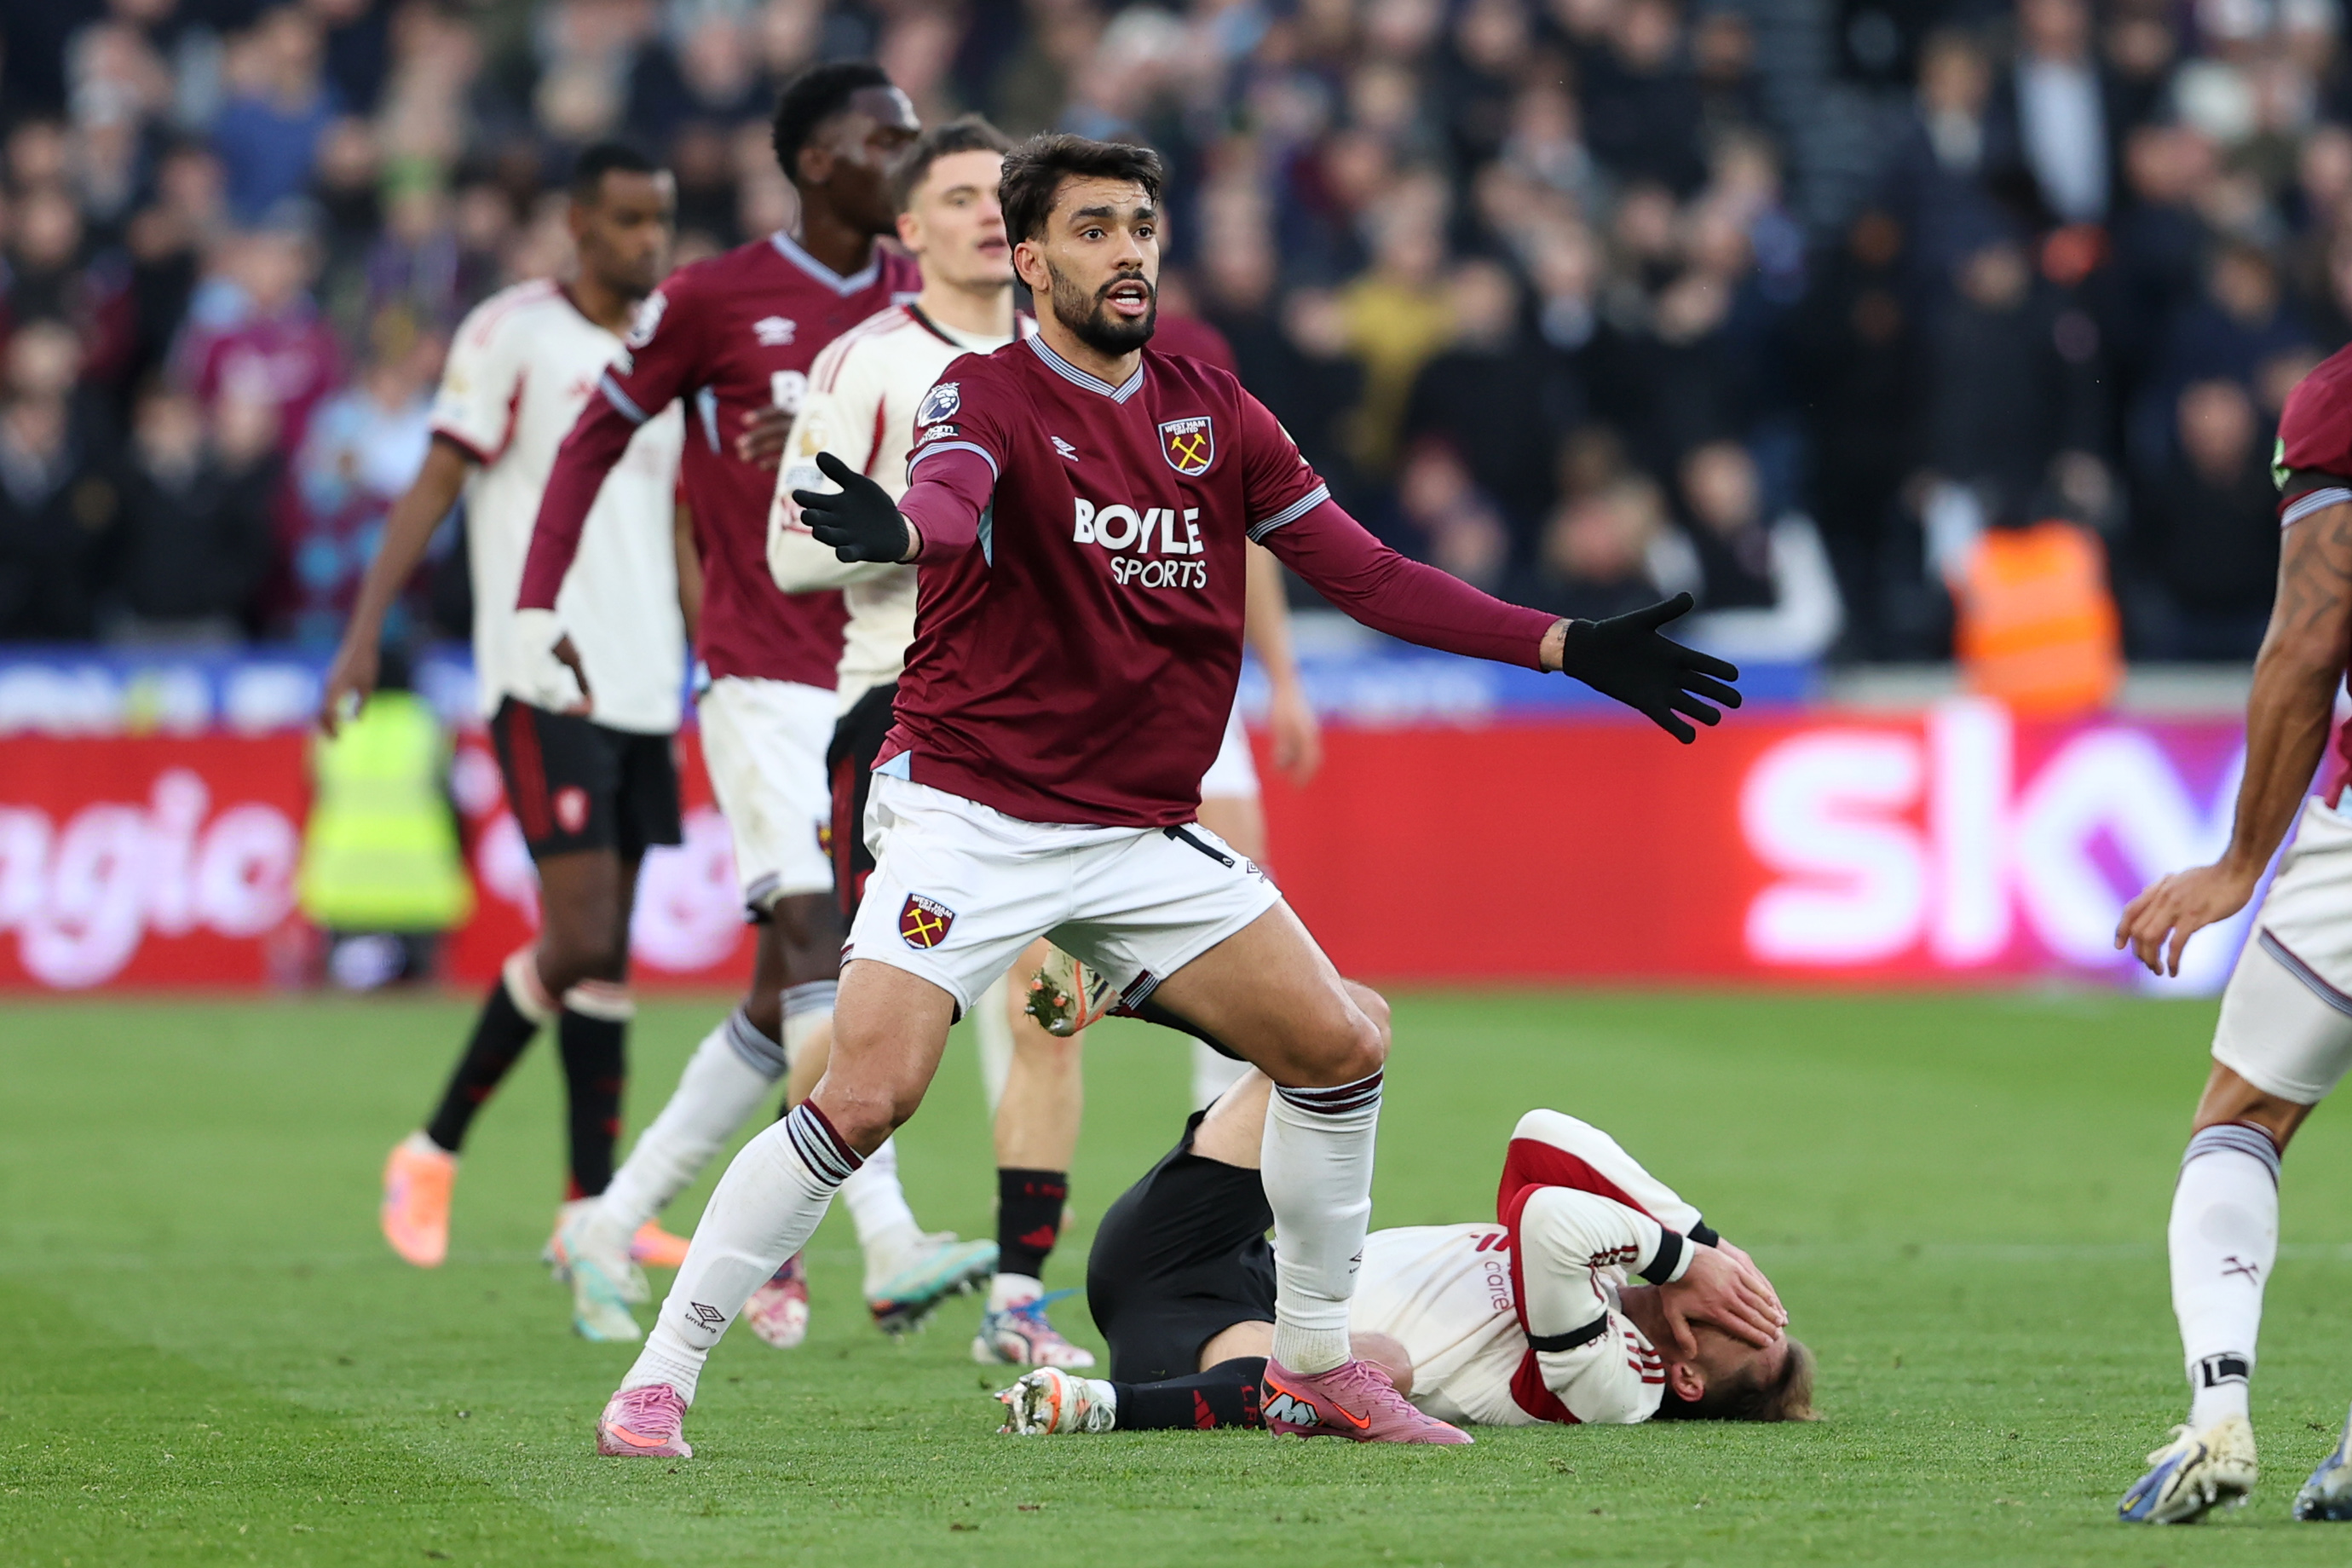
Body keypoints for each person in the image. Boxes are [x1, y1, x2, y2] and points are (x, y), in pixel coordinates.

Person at [592, 133, 1744, 1460]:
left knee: (1341, 1045)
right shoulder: (984, 394)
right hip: (971, 815)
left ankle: (1312, 1363)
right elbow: (953, 502)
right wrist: (909, 532)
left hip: (1138, 839)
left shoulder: (1214, 412)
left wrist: (1567, 644)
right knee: (866, 1096)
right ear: (1029, 263)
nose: (1126, 250)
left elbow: (1366, 575)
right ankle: (661, 1378)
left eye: (1139, 225)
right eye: (1091, 230)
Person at [521, 64, 972, 1346]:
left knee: (799, 985)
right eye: (885, 136)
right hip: (759, 675)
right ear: (820, 161)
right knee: (825, 947)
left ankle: (606, 1223)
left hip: (885, 681)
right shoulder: (714, 301)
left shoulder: (918, 308)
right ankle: (887, 1243)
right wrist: (533, 606)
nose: (908, 151)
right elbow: (595, 439)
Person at [317, 143, 691, 1273]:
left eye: (659, 220)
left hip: (644, 676)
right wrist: (364, 626)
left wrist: (718, 644)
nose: (647, 241)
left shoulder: (669, 341)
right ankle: (430, 1149)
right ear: (576, 226)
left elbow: (677, 519)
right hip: (541, 671)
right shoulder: (508, 334)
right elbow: (438, 476)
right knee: (577, 933)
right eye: (627, 220)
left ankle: (591, 1212)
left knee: (609, 950)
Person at [765, 114, 1101, 1368]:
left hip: (1053, 723)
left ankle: (1017, 1302)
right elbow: (788, 546)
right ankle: (789, 1230)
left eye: (993, 197)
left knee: (1054, 1008)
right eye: (955, 196)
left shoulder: (1071, 360)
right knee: (882, 1034)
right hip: (900, 708)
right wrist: (923, 527)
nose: (978, 215)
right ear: (908, 230)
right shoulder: (866, 361)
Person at [995, 1064, 1810, 1434]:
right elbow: (1540, 1135)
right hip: (1204, 1260)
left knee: (1377, 1361)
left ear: (1691, 1374)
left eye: (1751, 1319)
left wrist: (1679, 1262)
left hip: (1207, 1350)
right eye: (1755, 1290)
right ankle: (1146, 992)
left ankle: (1098, 1408)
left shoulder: (1615, 1388)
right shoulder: (1631, 1264)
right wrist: (1704, 1240)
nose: (1744, 1294)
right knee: (1329, 1045)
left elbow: (1548, 1220)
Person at [2113, 339, 2352, 1525]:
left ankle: (2217, 1415)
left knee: (2245, 1113)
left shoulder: (2339, 401)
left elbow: (2313, 636)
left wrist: (2242, 861)